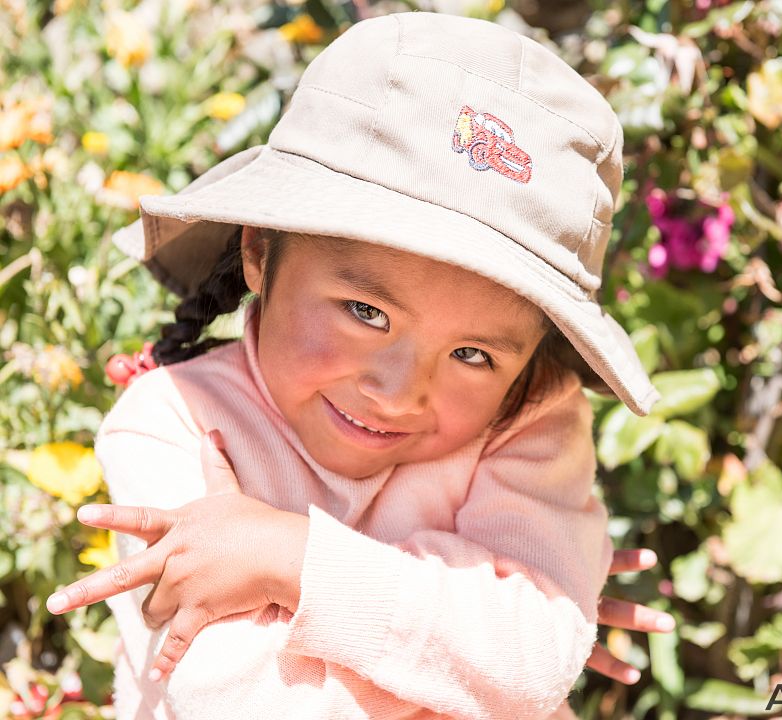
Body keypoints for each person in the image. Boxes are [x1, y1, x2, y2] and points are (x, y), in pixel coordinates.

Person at [46, 11, 670, 719]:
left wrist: (292, 558)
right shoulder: (170, 425)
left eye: (472, 355)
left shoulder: (529, 412)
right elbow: (240, 701)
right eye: (365, 312)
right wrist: (475, 660)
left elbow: (532, 654)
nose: (398, 392)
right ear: (259, 253)